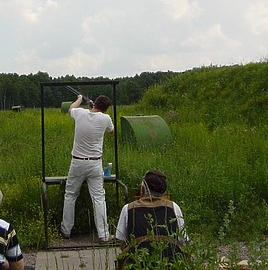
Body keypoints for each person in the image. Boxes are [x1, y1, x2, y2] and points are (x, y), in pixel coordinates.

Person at [60, 93, 114, 242]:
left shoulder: (80, 113)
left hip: (77, 162)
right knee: (98, 199)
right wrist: (96, 111)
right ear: (105, 108)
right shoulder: (105, 119)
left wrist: (79, 98)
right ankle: (103, 234)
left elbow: (71, 108)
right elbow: (111, 130)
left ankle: (66, 230)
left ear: (94, 103)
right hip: (95, 163)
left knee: (70, 195)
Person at [115, 170, 189, 269]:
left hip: (138, 264)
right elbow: (183, 239)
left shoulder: (128, 208)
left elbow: (121, 239)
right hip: (169, 264)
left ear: (142, 189)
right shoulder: (173, 207)